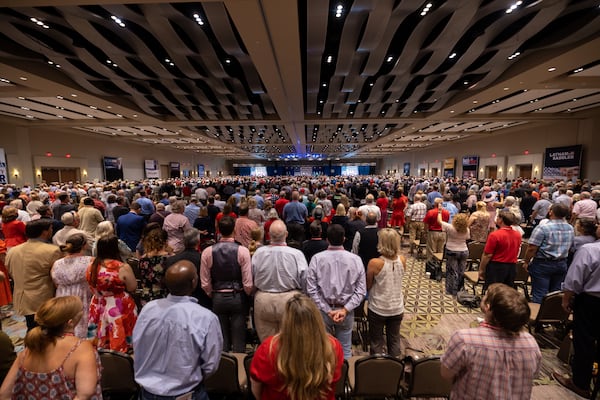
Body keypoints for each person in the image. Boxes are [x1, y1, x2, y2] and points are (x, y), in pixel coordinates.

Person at [133, 260, 223, 400]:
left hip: (148, 392)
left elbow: (137, 345)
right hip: (187, 392)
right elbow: (211, 365)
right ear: (194, 282)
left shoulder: (147, 310)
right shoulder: (206, 318)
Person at [440, 283, 541, 400]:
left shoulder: (464, 339)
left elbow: (446, 373)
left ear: (487, 307)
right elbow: (533, 375)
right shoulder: (531, 343)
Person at [0, 296, 102, 400]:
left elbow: (4, 393)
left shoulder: (30, 349)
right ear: (70, 322)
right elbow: (85, 394)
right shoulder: (81, 349)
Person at [249, 294, 344, 400]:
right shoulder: (333, 346)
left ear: (286, 322)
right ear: (317, 319)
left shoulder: (268, 348)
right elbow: (334, 384)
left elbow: (256, 389)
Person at [307, 224, 366, 359]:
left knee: (323, 348)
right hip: (345, 310)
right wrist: (345, 309)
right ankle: (343, 378)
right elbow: (361, 291)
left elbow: (311, 289)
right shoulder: (355, 260)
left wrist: (327, 309)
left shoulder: (317, 259)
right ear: (344, 239)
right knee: (345, 349)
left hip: (323, 310)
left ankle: (325, 379)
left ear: (327, 239)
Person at [554, 227, 600, 399]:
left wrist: (566, 300)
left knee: (584, 341)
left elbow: (574, 280)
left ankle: (580, 383)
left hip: (591, 301)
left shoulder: (590, 250)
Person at [200, 216, 253, 352]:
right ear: (234, 231)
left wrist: (212, 293)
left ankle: (224, 368)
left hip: (218, 296)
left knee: (221, 338)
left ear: (218, 230)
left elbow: (205, 281)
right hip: (238, 296)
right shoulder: (243, 251)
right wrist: (247, 295)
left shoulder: (207, 252)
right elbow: (247, 281)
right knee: (239, 338)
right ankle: (239, 367)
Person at [252, 220, 307, 341]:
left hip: (264, 300)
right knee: (290, 343)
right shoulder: (297, 254)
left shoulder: (258, 253)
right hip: (290, 300)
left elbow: (252, 276)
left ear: (268, 235)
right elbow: (304, 280)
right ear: (286, 234)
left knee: (267, 344)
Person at [6, 219, 62, 331]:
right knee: (46, 331)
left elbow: (11, 272)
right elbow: (58, 276)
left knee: (31, 328)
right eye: (51, 229)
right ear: (45, 232)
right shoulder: (52, 250)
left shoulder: (13, 251)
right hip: (42, 297)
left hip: (21, 297)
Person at [86, 235, 138, 353]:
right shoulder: (122, 267)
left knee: (99, 329)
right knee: (118, 330)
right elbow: (132, 287)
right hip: (118, 304)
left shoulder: (92, 265)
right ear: (116, 248)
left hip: (97, 302)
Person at [522, 203, 574, 303]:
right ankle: (552, 316)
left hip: (543, 263)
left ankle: (538, 316)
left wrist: (526, 261)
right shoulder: (570, 228)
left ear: (551, 212)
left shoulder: (542, 228)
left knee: (540, 293)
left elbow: (532, 248)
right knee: (555, 294)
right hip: (562, 263)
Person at [366, 228, 405, 356]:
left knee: (376, 342)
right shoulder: (403, 260)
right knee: (394, 341)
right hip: (397, 307)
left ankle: (378, 371)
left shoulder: (374, 263)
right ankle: (395, 369)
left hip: (378, 307)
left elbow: (368, 285)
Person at [51, 233, 94, 338]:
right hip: (83, 295)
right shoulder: (91, 261)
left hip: (63, 296)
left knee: (64, 324)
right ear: (84, 245)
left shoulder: (57, 263)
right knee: (84, 323)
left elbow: (55, 282)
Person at [164, 228, 212, 309]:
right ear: (198, 242)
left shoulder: (170, 260)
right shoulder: (204, 260)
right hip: (201, 302)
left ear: (183, 242)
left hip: (175, 304)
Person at [478, 210, 522, 288]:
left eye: (497, 217)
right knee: (506, 293)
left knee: (494, 292)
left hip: (496, 267)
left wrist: (481, 269)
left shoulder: (495, 235)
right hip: (512, 267)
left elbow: (487, 255)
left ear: (501, 220)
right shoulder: (518, 234)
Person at [438, 206, 470, 296]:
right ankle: (460, 288)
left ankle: (451, 290)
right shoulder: (467, 230)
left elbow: (439, 221)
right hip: (464, 251)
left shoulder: (450, 227)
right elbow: (468, 238)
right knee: (461, 271)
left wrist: (439, 212)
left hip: (452, 250)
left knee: (452, 271)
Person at [138, 227, 172, 306]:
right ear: (166, 242)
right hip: (163, 296)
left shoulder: (143, 259)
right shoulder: (169, 259)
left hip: (146, 297)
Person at [423, 198, 450, 263]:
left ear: (435, 204)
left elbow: (426, 223)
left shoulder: (430, 212)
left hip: (433, 232)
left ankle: (431, 265)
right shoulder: (447, 212)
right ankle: (439, 265)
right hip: (443, 233)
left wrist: (425, 231)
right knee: (441, 251)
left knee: (431, 251)